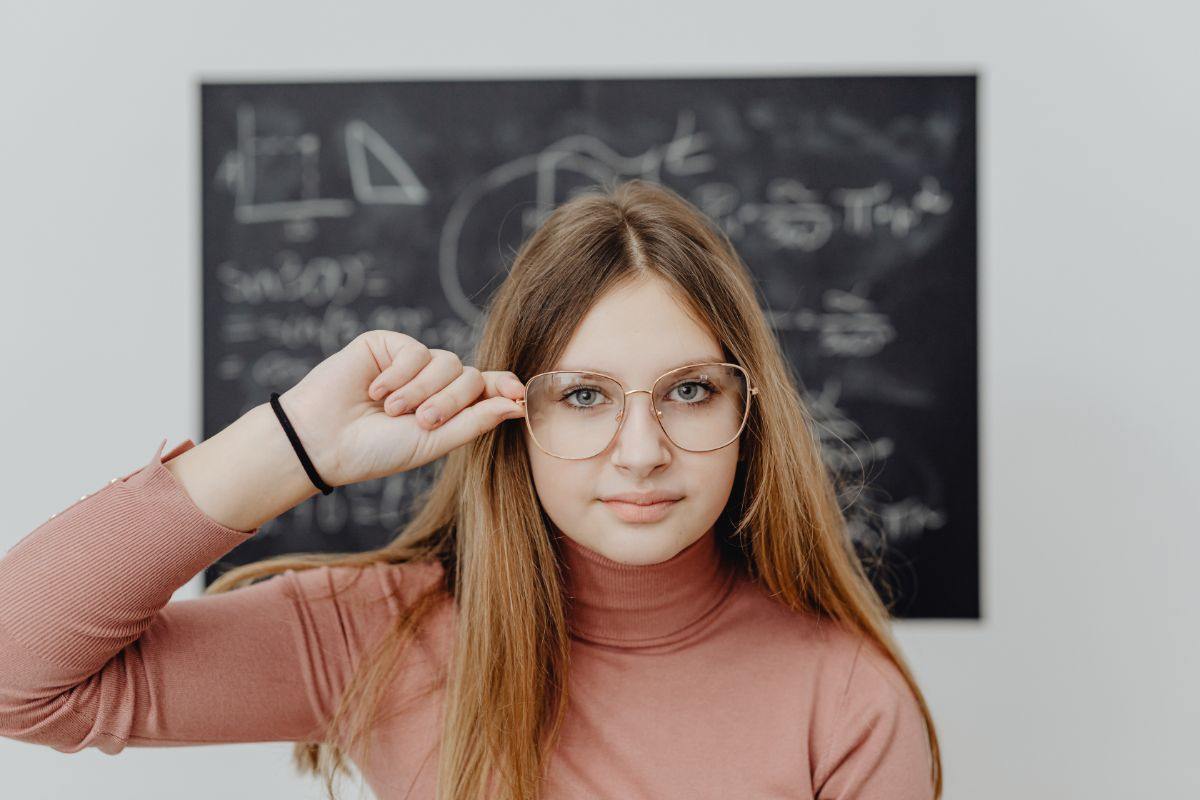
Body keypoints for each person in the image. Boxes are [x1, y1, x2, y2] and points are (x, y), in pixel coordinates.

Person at [0, 179, 942, 799]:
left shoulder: (846, 699)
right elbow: (17, 681)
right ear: (513, 416)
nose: (642, 451)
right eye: (583, 396)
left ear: (749, 407)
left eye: (689, 391)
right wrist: (295, 445)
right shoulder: (378, 632)